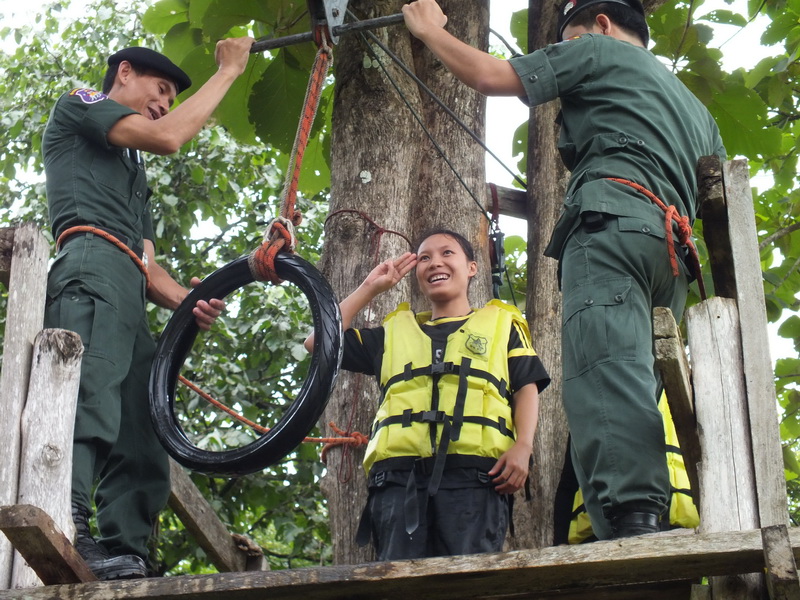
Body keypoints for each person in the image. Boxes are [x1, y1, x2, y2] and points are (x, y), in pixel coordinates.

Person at [402, 0, 726, 539]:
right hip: (672, 256)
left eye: (568, 39)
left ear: (601, 24)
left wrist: (431, 30)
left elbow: (489, 75)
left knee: (606, 368)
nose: (567, 50)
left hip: (613, 228)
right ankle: (637, 513)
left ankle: (631, 518)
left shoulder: (597, 49)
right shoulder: (698, 112)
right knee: (639, 378)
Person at [42, 38, 254, 579]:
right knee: (90, 395)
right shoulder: (82, 103)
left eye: (169, 99)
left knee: (145, 416)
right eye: (159, 90)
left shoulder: (134, 170)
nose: (163, 104)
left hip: (129, 286)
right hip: (89, 264)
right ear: (125, 73)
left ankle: (129, 548)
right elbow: (169, 137)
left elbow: (149, 266)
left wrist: (191, 302)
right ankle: (67, 522)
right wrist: (228, 71)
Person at [306, 229, 549, 560]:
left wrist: (523, 446)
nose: (435, 262)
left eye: (447, 253)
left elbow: (526, 387)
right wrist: (370, 287)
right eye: (424, 257)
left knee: (468, 578)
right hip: (397, 482)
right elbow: (317, 343)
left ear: (472, 267)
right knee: (399, 582)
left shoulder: (503, 326)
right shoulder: (391, 335)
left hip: (476, 479)